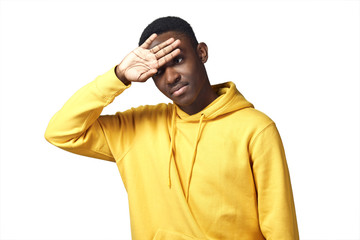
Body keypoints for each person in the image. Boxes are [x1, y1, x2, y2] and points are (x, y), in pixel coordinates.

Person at [45, 16, 299, 240]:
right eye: (158, 71)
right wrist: (119, 75)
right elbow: (61, 131)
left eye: (177, 59)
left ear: (201, 53)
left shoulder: (255, 128)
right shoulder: (136, 128)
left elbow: (280, 229)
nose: (170, 77)